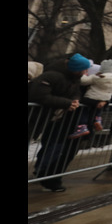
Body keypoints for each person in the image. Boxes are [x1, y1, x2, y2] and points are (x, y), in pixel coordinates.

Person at [28, 53, 90, 192]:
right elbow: (38, 95)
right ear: (77, 69)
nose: (86, 73)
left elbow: (76, 92)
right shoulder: (52, 76)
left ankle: (46, 175)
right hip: (35, 116)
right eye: (84, 70)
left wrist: (74, 101)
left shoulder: (74, 79)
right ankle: (43, 173)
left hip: (48, 118)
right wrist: (67, 103)